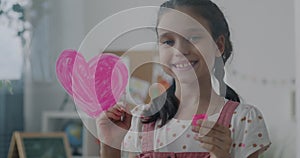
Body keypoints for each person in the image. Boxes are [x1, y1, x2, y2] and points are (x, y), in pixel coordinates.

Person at [96, 0, 271, 157]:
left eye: (193, 38)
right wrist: (111, 147)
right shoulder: (141, 120)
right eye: (168, 42)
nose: (180, 50)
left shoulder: (243, 119)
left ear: (218, 46)